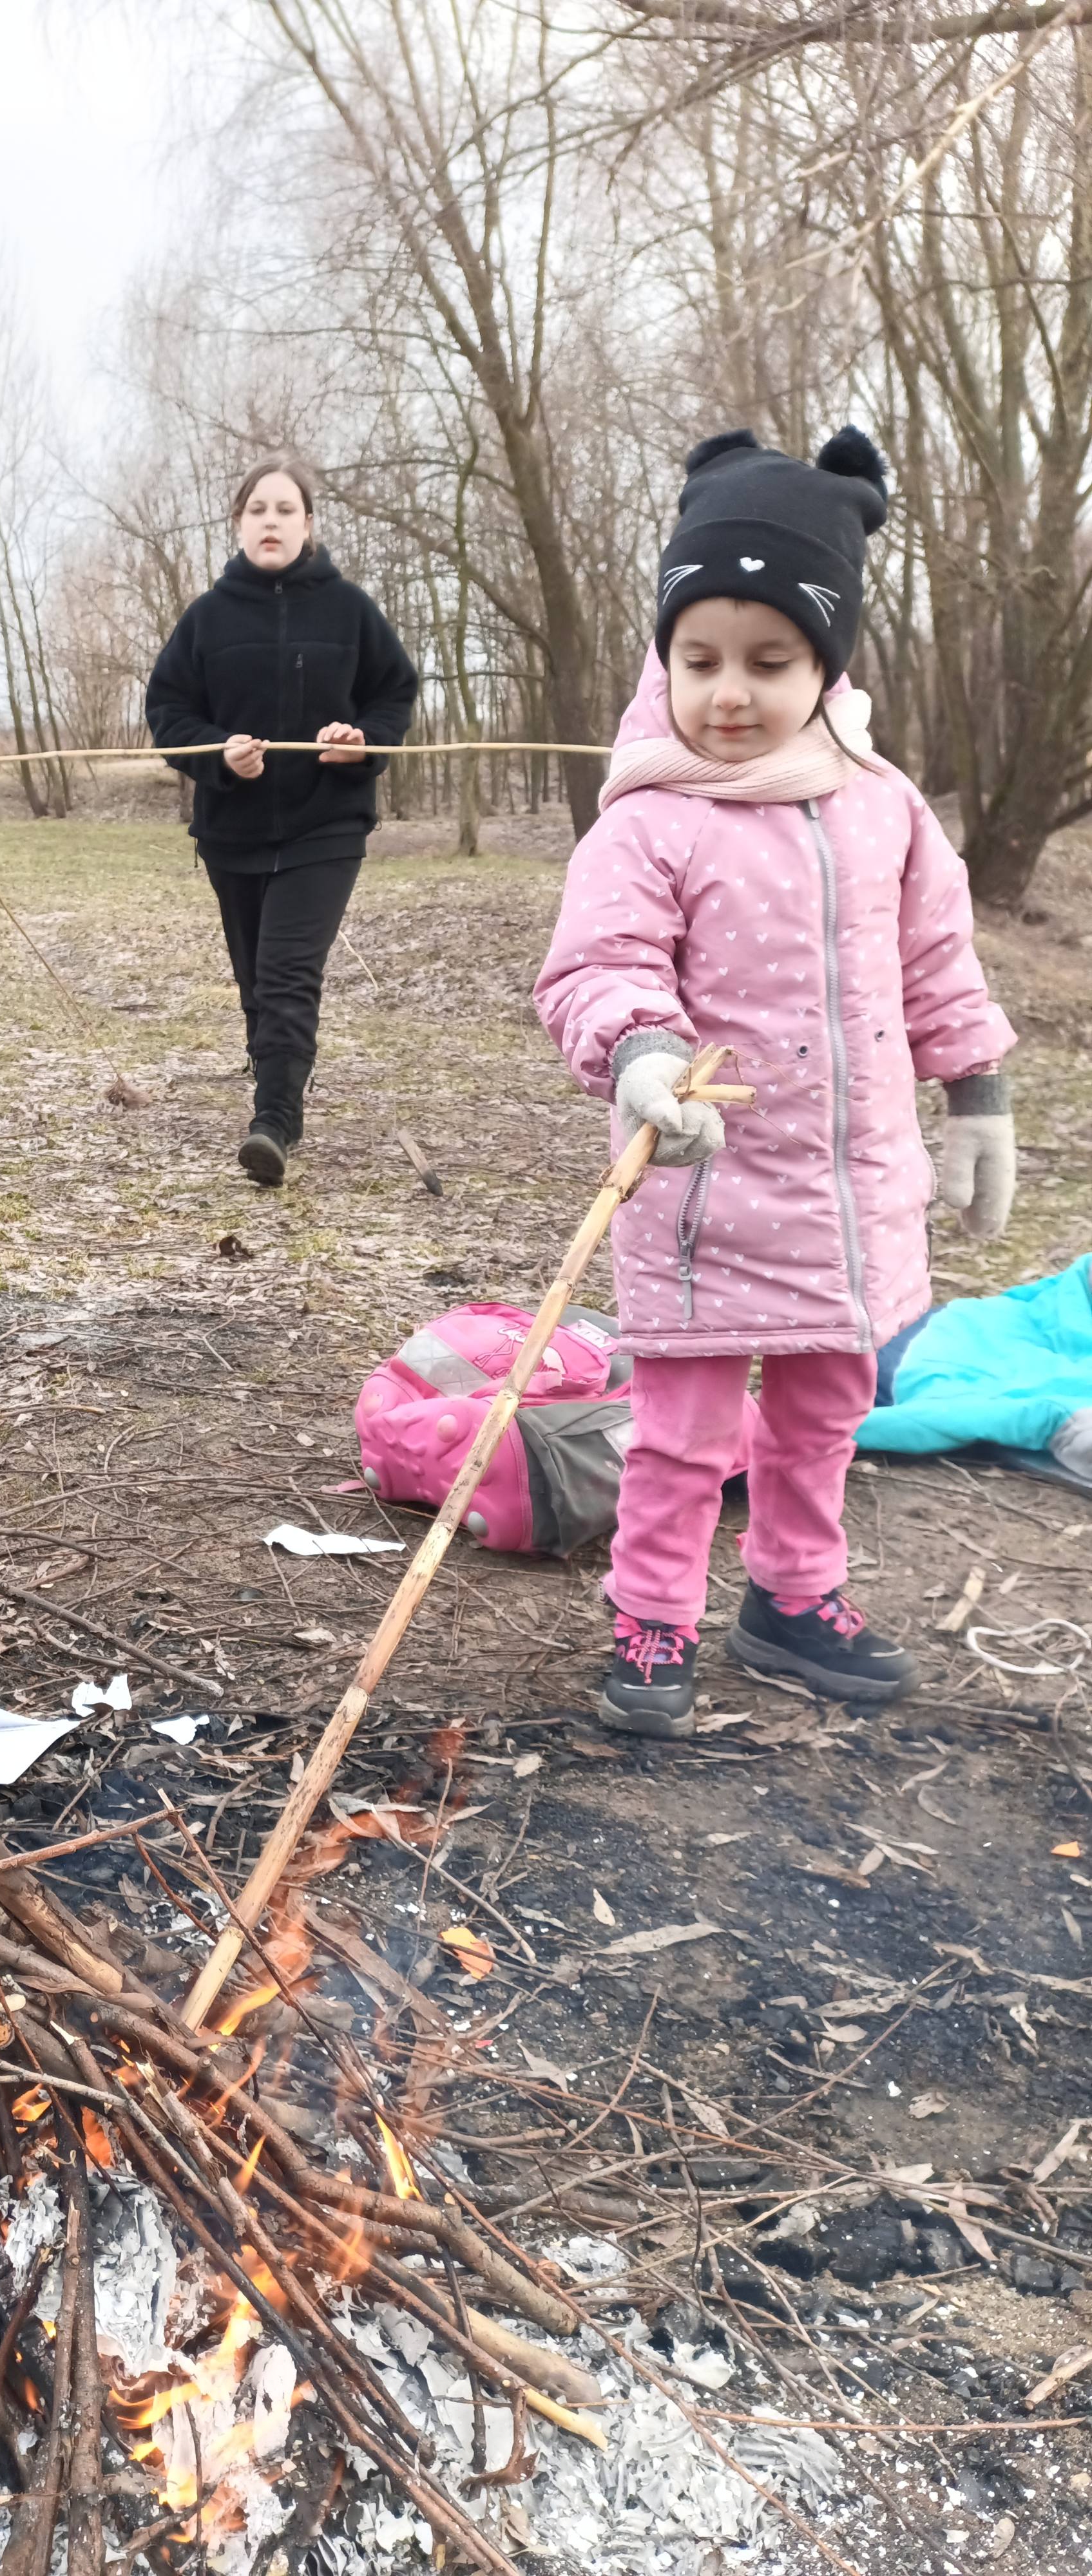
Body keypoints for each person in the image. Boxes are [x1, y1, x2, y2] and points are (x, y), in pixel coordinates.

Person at [535, 428, 1017, 1738]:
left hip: (852, 1195)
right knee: (686, 1430)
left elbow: (936, 958)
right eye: (700, 660)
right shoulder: (650, 817)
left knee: (825, 1415)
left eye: (769, 661)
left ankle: (794, 1597)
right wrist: (638, 1055)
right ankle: (655, 1611)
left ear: (828, 664)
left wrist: (974, 1091)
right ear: (664, 658)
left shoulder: (883, 807)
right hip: (703, 1191)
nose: (730, 693)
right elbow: (599, 965)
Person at [146, 454, 419, 1183]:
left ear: (309, 524)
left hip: (325, 828)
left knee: (289, 973)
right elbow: (168, 712)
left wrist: (361, 745)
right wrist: (216, 757)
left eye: (285, 509)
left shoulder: (351, 610)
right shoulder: (207, 618)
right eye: (258, 509)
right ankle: (275, 1078)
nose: (272, 521)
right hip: (232, 833)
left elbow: (394, 695)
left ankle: (274, 1122)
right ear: (239, 524)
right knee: (255, 982)